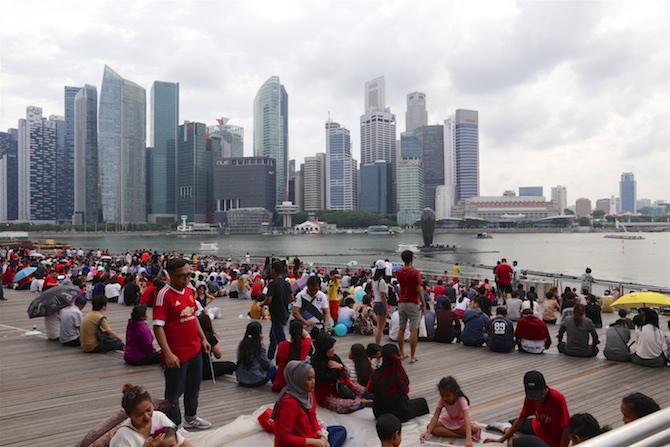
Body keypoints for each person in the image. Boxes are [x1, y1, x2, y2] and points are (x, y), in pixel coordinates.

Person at [153, 258, 211, 430]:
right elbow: (158, 327)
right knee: (174, 392)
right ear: (170, 275)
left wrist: (203, 339)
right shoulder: (163, 295)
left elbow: (193, 317)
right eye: (182, 276)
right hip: (177, 353)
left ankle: (191, 416)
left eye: (189, 275)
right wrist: (168, 353)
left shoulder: (189, 291)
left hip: (194, 349)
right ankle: (175, 425)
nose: (186, 280)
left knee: (194, 386)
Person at [484, 371, 570, 447]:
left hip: (552, 438)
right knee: (512, 422)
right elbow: (522, 418)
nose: (536, 400)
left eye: (538, 396)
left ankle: (510, 436)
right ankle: (505, 428)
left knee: (511, 444)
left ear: (545, 389)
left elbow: (566, 428)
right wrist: (501, 440)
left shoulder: (557, 398)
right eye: (533, 397)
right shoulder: (530, 398)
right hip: (538, 426)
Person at [272, 361, 347, 447]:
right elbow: (284, 438)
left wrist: (320, 435)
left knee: (340, 430)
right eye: (309, 379)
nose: (313, 382)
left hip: (309, 434)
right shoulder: (289, 403)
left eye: (313, 378)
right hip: (298, 442)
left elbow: (312, 418)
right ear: (298, 380)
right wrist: (314, 442)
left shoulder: (309, 394)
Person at [109, 385, 191, 447]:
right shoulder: (122, 437)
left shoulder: (159, 417)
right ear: (129, 415)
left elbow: (181, 442)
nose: (147, 417)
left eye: (148, 410)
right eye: (139, 415)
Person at [312, 333, 371, 414]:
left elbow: (347, 375)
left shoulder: (334, 358)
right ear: (324, 349)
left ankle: (372, 396)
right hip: (326, 394)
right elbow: (320, 381)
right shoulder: (315, 363)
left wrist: (339, 367)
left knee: (358, 388)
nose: (333, 349)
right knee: (340, 405)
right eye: (330, 348)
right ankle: (363, 403)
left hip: (341, 385)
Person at [368, 344, 428, 422]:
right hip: (398, 413)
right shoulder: (399, 373)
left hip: (379, 412)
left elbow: (370, 390)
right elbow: (406, 391)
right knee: (421, 402)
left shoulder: (376, 374)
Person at [421, 376, 482, 446]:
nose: (444, 398)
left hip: (462, 422)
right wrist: (427, 433)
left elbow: (466, 419)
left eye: (447, 396)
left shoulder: (461, 400)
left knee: (474, 429)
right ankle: (459, 436)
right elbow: (435, 417)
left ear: (455, 393)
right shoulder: (442, 400)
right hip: (450, 420)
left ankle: (456, 434)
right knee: (429, 427)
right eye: (442, 396)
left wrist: (468, 438)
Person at [395, 250, 426, 364]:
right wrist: (423, 303)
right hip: (413, 303)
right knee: (413, 330)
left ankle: (402, 353)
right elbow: (418, 289)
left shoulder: (398, 272)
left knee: (401, 328)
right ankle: (413, 356)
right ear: (412, 258)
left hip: (402, 302)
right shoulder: (415, 272)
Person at [262, 261, 293, 360]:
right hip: (285, 313)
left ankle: (287, 358)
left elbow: (269, 300)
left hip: (277, 315)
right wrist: (283, 300)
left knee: (281, 341)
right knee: (273, 336)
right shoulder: (286, 283)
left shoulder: (272, 284)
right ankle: (269, 356)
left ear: (274, 270)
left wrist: (261, 304)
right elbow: (292, 298)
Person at [273, 320, 312, 392]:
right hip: (298, 381)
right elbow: (308, 336)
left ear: (290, 331)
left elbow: (278, 362)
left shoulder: (282, 345)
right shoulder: (305, 344)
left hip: (281, 382)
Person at [235, 321, 276, 387]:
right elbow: (266, 363)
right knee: (273, 368)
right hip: (255, 380)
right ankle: (276, 385)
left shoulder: (242, 345)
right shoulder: (258, 346)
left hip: (241, 379)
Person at [197, 313, 236, 380]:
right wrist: (216, 340)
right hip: (206, 370)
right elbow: (218, 355)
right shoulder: (209, 336)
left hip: (193, 369)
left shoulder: (194, 335)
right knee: (231, 365)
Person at [371, 260, 389, 346]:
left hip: (376, 302)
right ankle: (377, 344)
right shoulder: (381, 281)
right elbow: (383, 296)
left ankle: (377, 343)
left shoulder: (374, 280)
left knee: (378, 327)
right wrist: (387, 309)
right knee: (380, 328)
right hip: (381, 304)